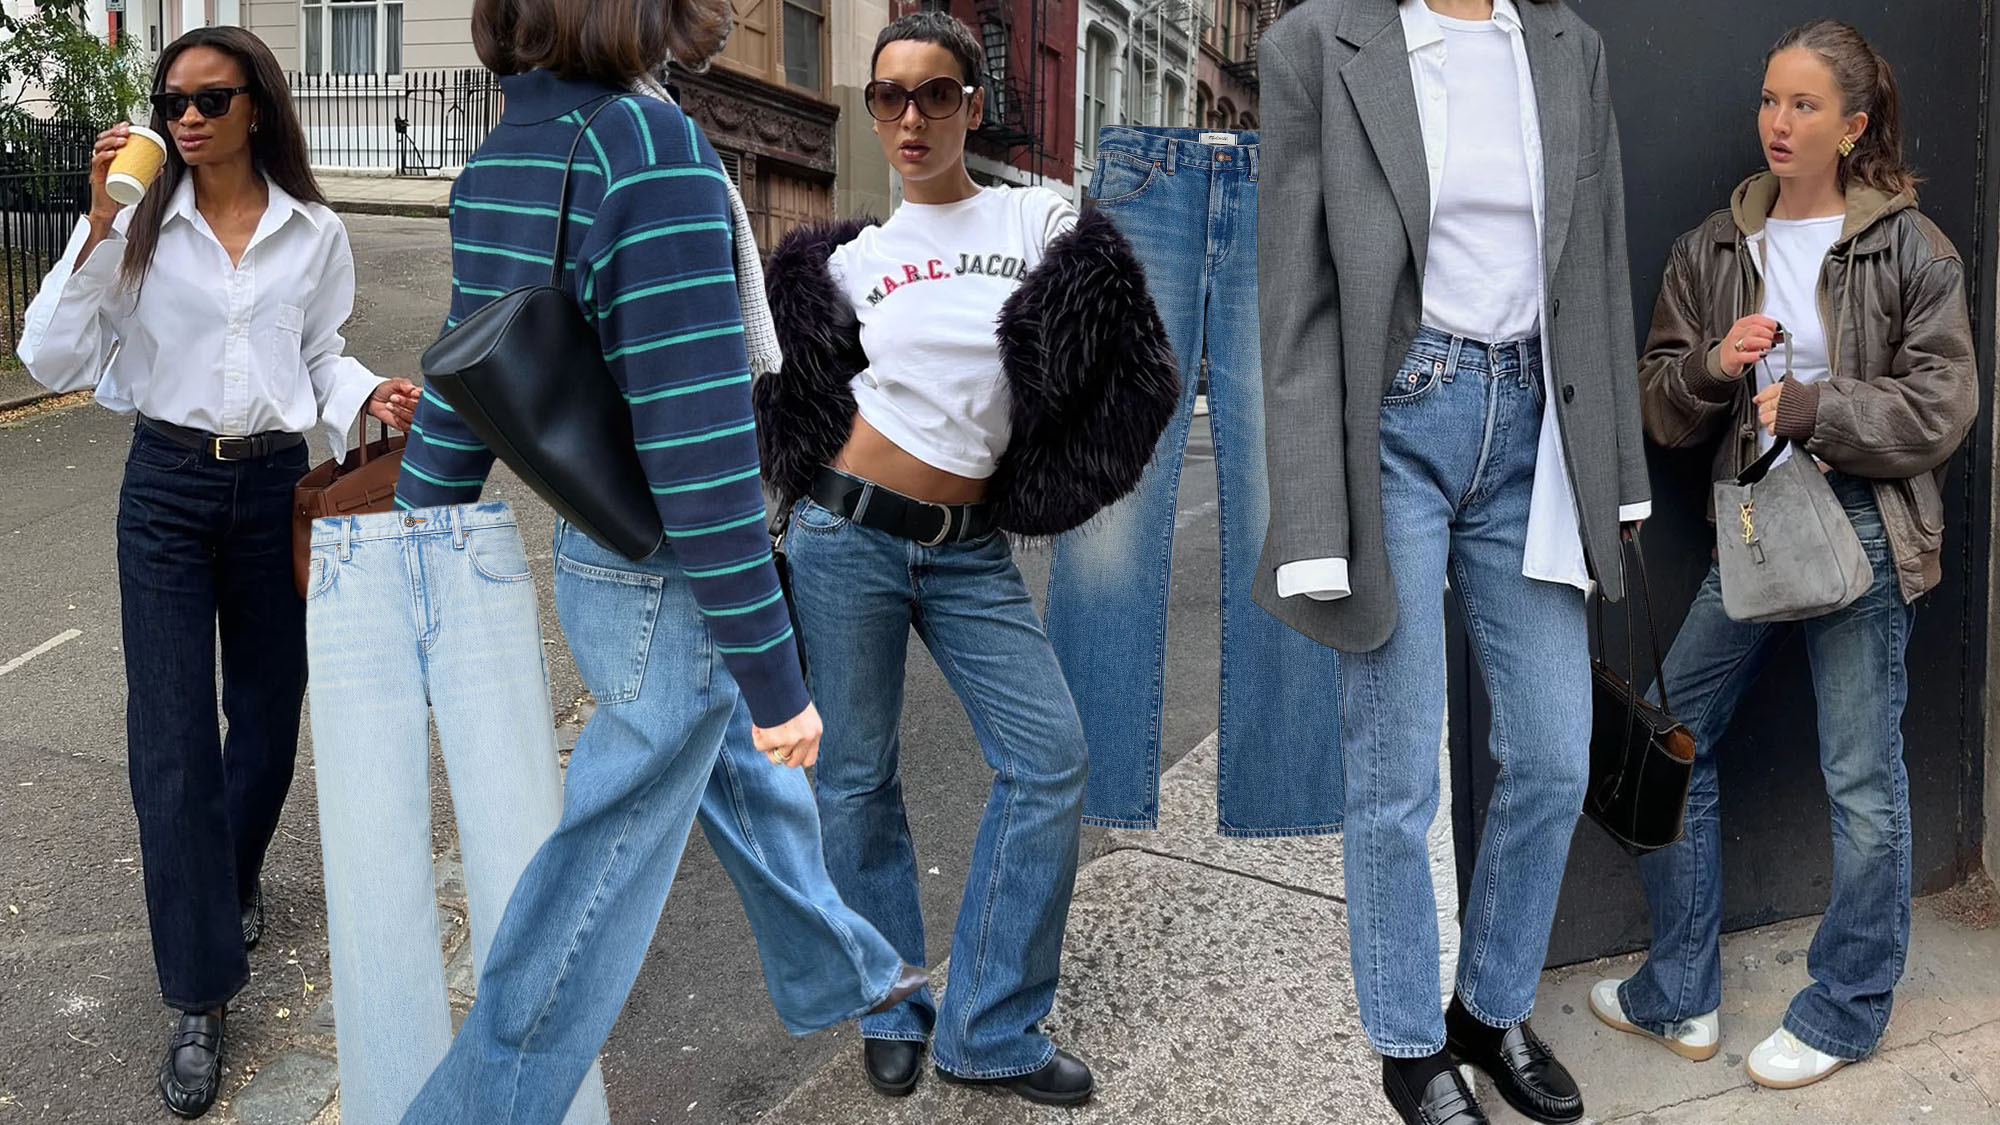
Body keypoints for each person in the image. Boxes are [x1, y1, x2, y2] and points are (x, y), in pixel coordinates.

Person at [390, 1, 927, 1120]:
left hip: (599, 550)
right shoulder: (649, 150)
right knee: (597, 880)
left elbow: (463, 368)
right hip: (674, 574)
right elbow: (697, 446)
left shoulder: (508, 148)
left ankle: (865, 979)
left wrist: (415, 535)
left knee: (742, 786)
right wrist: (780, 680)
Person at [756, 10, 1177, 1106]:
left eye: (933, 94)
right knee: (854, 784)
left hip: (969, 551)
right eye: (886, 96)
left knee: (1048, 759)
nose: (909, 117)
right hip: (843, 537)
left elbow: (1132, 369)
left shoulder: (1040, 219)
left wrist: (1054, 484)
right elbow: (779, 401)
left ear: (970, 105)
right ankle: (891, 998)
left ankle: (989, 1027)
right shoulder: (845, 260)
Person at [1257, 1, 1651, 1122]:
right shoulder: (1315, 44)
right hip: (1393, 422)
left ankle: (1487, 1009)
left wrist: (1615, 469)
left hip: (1534, 422)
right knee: (1395, 777)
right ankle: (1403, 1044)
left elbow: (1600, 258)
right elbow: (1294, 301)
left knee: (1552, 754)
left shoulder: (1568, 47)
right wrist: (1311, 513)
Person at [15, 27, 416, 1119]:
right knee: (174, 739)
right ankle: (198, 993)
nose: (185, 117)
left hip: (273, 488)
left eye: (209, 98)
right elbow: (46, 359)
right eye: (171, 100)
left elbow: (320, 349)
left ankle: (227, 873)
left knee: (271, 714)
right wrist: (96, 227)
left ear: (255, 108)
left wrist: (364, 394)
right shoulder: (139, 228)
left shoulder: (313, 231)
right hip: (166, 489)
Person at [1592, 18, 1976, 1091]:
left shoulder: (1910, 246)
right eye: (1769, 99)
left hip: (1862, 526)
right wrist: (1714, 364)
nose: (1776, 121)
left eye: (1803, 105)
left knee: (1859, 783)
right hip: (1752, 529)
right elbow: (1658, 409)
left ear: (1851, 126)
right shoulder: (1712, 250)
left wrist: (1815, 405)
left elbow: (1941, 407)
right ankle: (1680, 991)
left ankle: (1846, 1008)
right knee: (1669, 739)